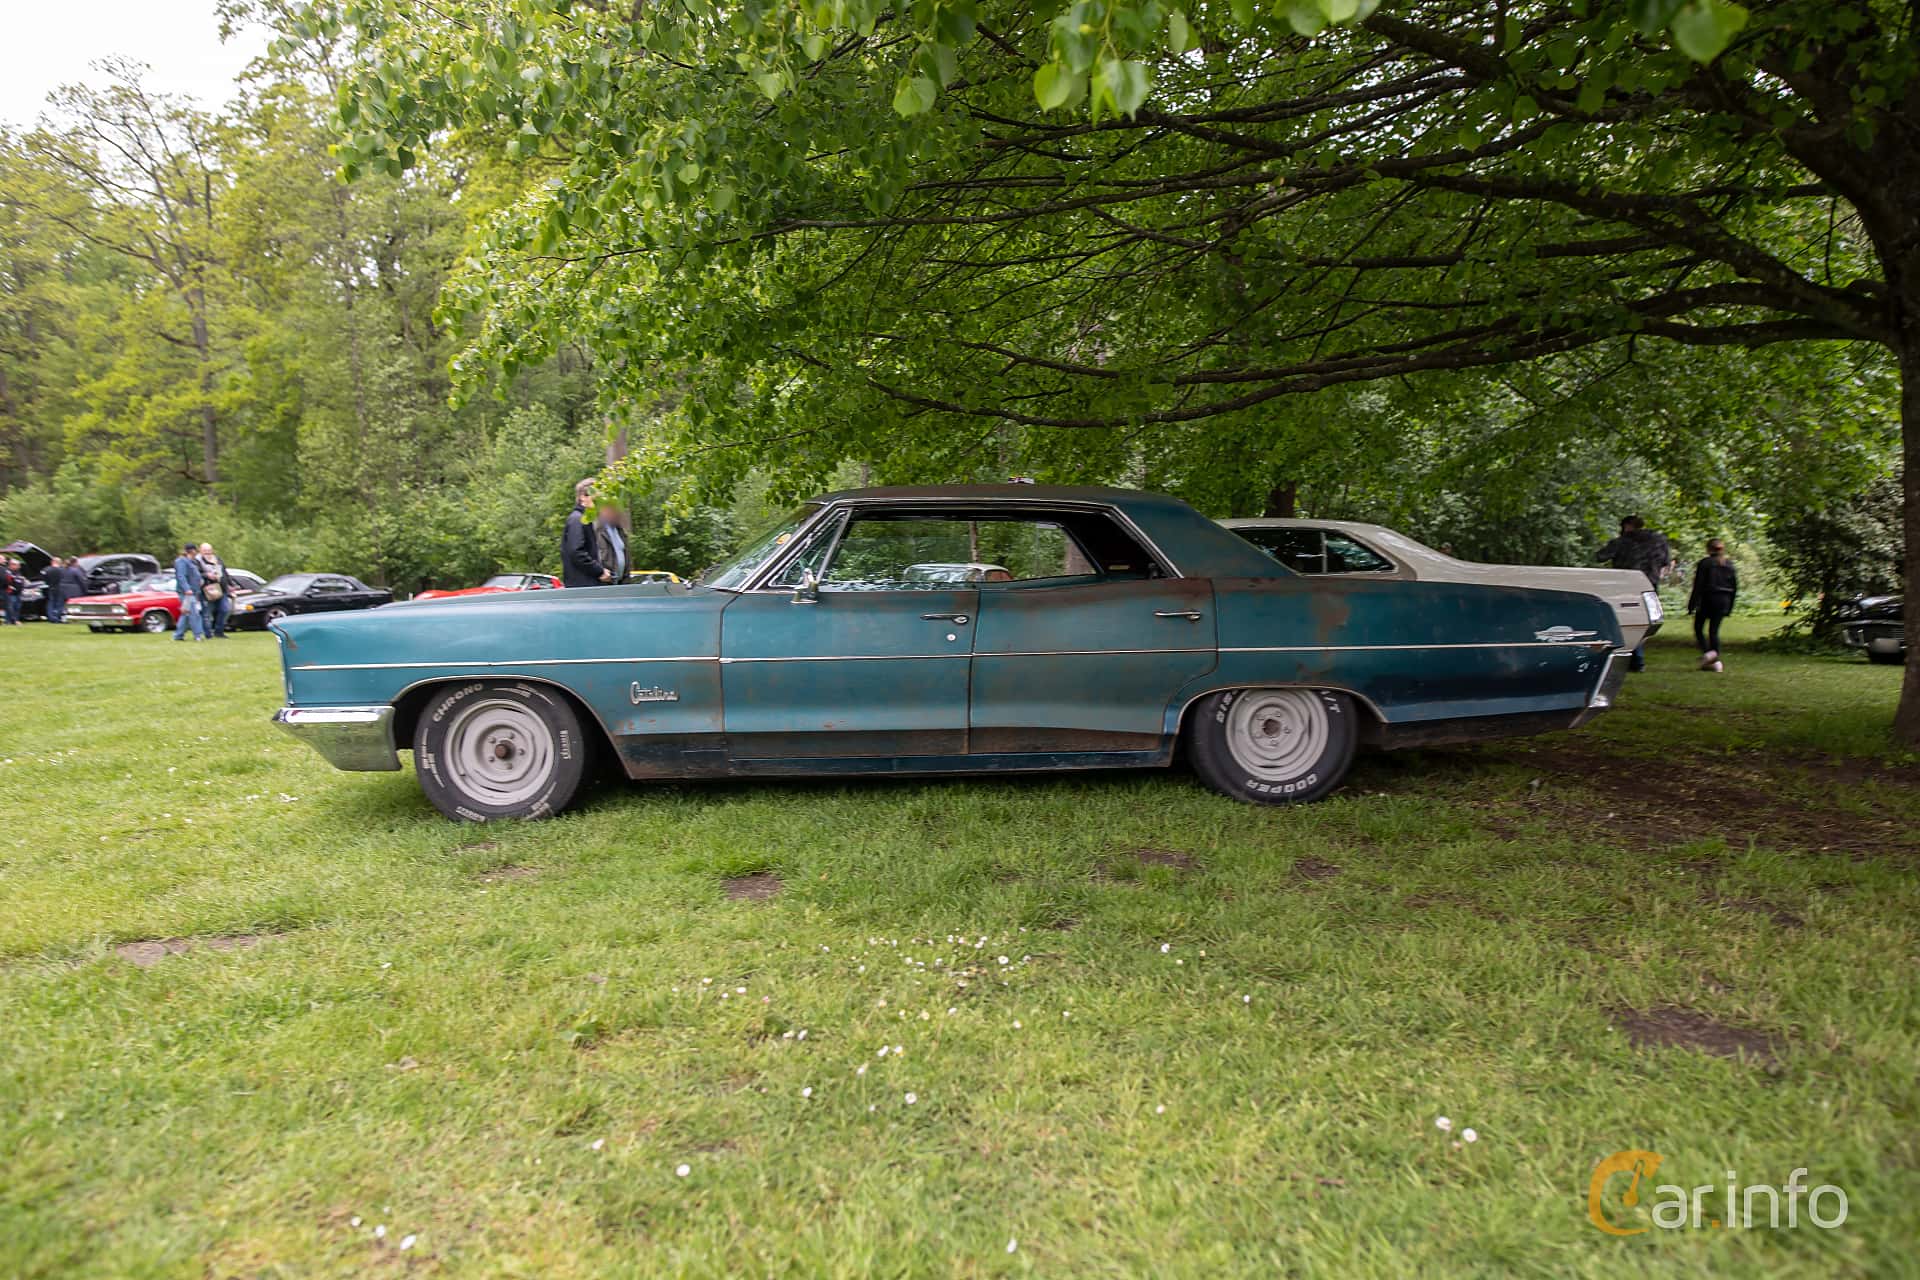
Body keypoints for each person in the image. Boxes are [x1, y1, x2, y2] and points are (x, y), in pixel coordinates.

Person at [1597, 515, 1672, 671]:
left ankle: (1635, 659)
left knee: (1625, 620)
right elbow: (1665, 562)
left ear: (1628, 526)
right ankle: (1636, 659)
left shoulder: (1622, 542)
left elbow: (1600, 556)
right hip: (1649, 584)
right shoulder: (1659, 541)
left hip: (1625, 585)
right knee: (1645, 621)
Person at [1687, 538, 1738, 672]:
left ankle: (1710, 654)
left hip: (1708, 599)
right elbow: (1734, 587)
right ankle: (1714, 660)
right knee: (1713, 631)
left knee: (1698, 628)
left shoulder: (1705, 563)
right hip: (1724, 600)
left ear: (1708, 549)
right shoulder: (1729, 564)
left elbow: (1698, 585)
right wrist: (1730, 607)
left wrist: (1692, 604)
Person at [561, 478, 612, 588]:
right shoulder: (577, 519)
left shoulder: (585, 519)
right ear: (583, 497)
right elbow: (576, 552)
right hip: (582, 587)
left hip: (586, 585)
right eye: (596, 496)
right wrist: (599, 571)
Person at [171, 543, 207, 641]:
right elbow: (181, 576)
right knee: (194, 613)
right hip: (186, 592)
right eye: (195, 550)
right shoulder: (181, 561)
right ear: (192, 551)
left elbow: (196, 575)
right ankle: (198, 635)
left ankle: (178, 635)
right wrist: (187, 589)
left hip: (194, 591)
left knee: (186, 614)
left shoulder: (193, 562)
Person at [592, 496, 631, 586]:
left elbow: (626, 559)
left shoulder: (620, 531)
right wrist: (600, 572)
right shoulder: (596, 530)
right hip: (604, 584)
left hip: (621, 584)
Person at [198, 543, 233, 638]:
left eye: (209, 551)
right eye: (205, 551)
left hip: (221, 588)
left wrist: (230, 584)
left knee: (225, 609)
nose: (208, 553)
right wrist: (207, 575)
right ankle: (208, 634)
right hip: (207, 590)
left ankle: (219, 631)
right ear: (200, 551)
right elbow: (196, 574)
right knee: (207, 614)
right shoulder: (197, 561)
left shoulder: (217, 559)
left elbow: (224, 572)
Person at [41, 558, 67, 623]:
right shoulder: (63, 570)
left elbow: (42, 578)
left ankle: (51, 617)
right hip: (60, 588)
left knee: (50, 602)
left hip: (50, 587)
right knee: (59, 603)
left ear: (52, 562)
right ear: (59, 562)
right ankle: (57, 617)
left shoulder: (46, 569)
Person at [2, 558, 23, 625]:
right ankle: (8, 621)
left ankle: (16, 620)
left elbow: (19, 580)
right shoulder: (7, 572)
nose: (19, 566)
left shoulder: (18, 572)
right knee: (10, 607)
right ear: (12, 565)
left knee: (17, 607)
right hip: (11, 593)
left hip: (18, 593)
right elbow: (7, 581)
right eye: (17, 565)